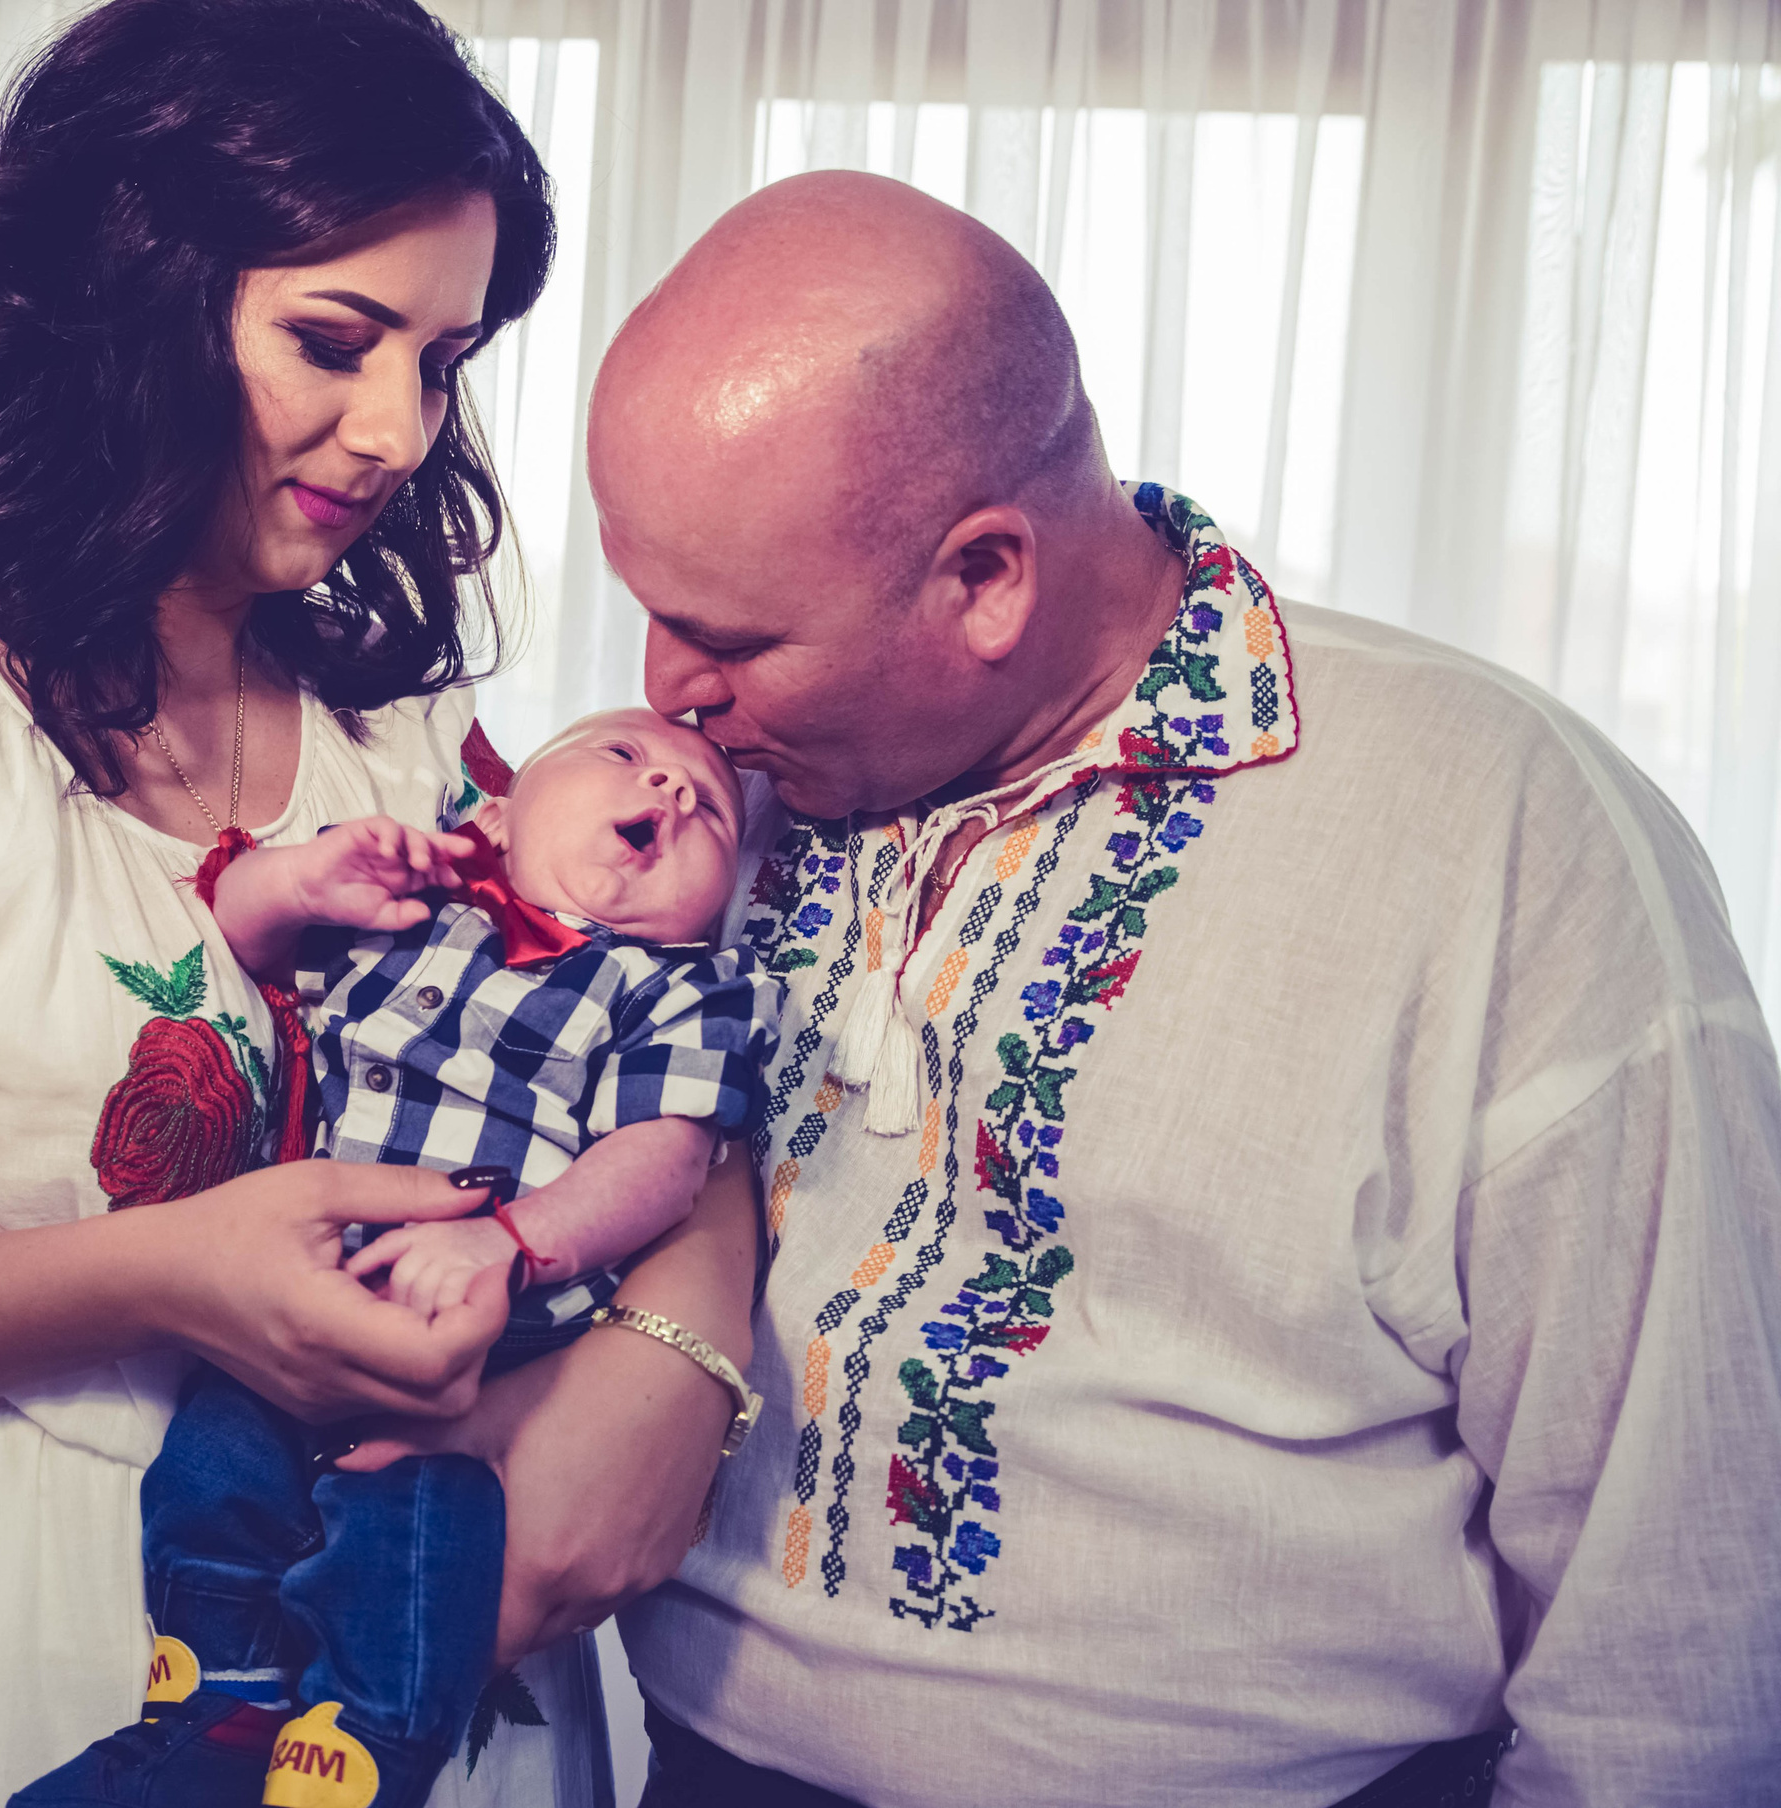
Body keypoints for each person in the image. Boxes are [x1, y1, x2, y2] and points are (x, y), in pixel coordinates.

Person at [0, 5, 737, 1801]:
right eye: (337, 338)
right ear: (135, 291)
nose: (400, 429)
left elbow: (647, 1049)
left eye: (445, 360)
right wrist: (170, 1274)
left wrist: (670, 1369)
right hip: (29, 1643)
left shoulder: (399, 728)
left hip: (426, 1653)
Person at [557, 172, 1775, 1804]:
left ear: (985, 577)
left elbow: (1677, 1587)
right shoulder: (707, 800)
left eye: (728, 635)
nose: (664, 690)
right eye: (645, 607)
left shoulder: (1502, 827)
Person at [22, 710, 777, 1807]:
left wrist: (513, 1240)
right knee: (212, 1462)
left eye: (704, 805)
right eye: (622, 758)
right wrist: (295, 882)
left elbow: (661, 1160)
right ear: (498, 808)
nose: (664, 792)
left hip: (491, 1319)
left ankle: (367, 1738)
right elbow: (238, 942)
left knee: (410, 1518)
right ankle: (211, 1700)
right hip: (302, 1295)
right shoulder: (412, 909)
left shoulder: (676, 987)